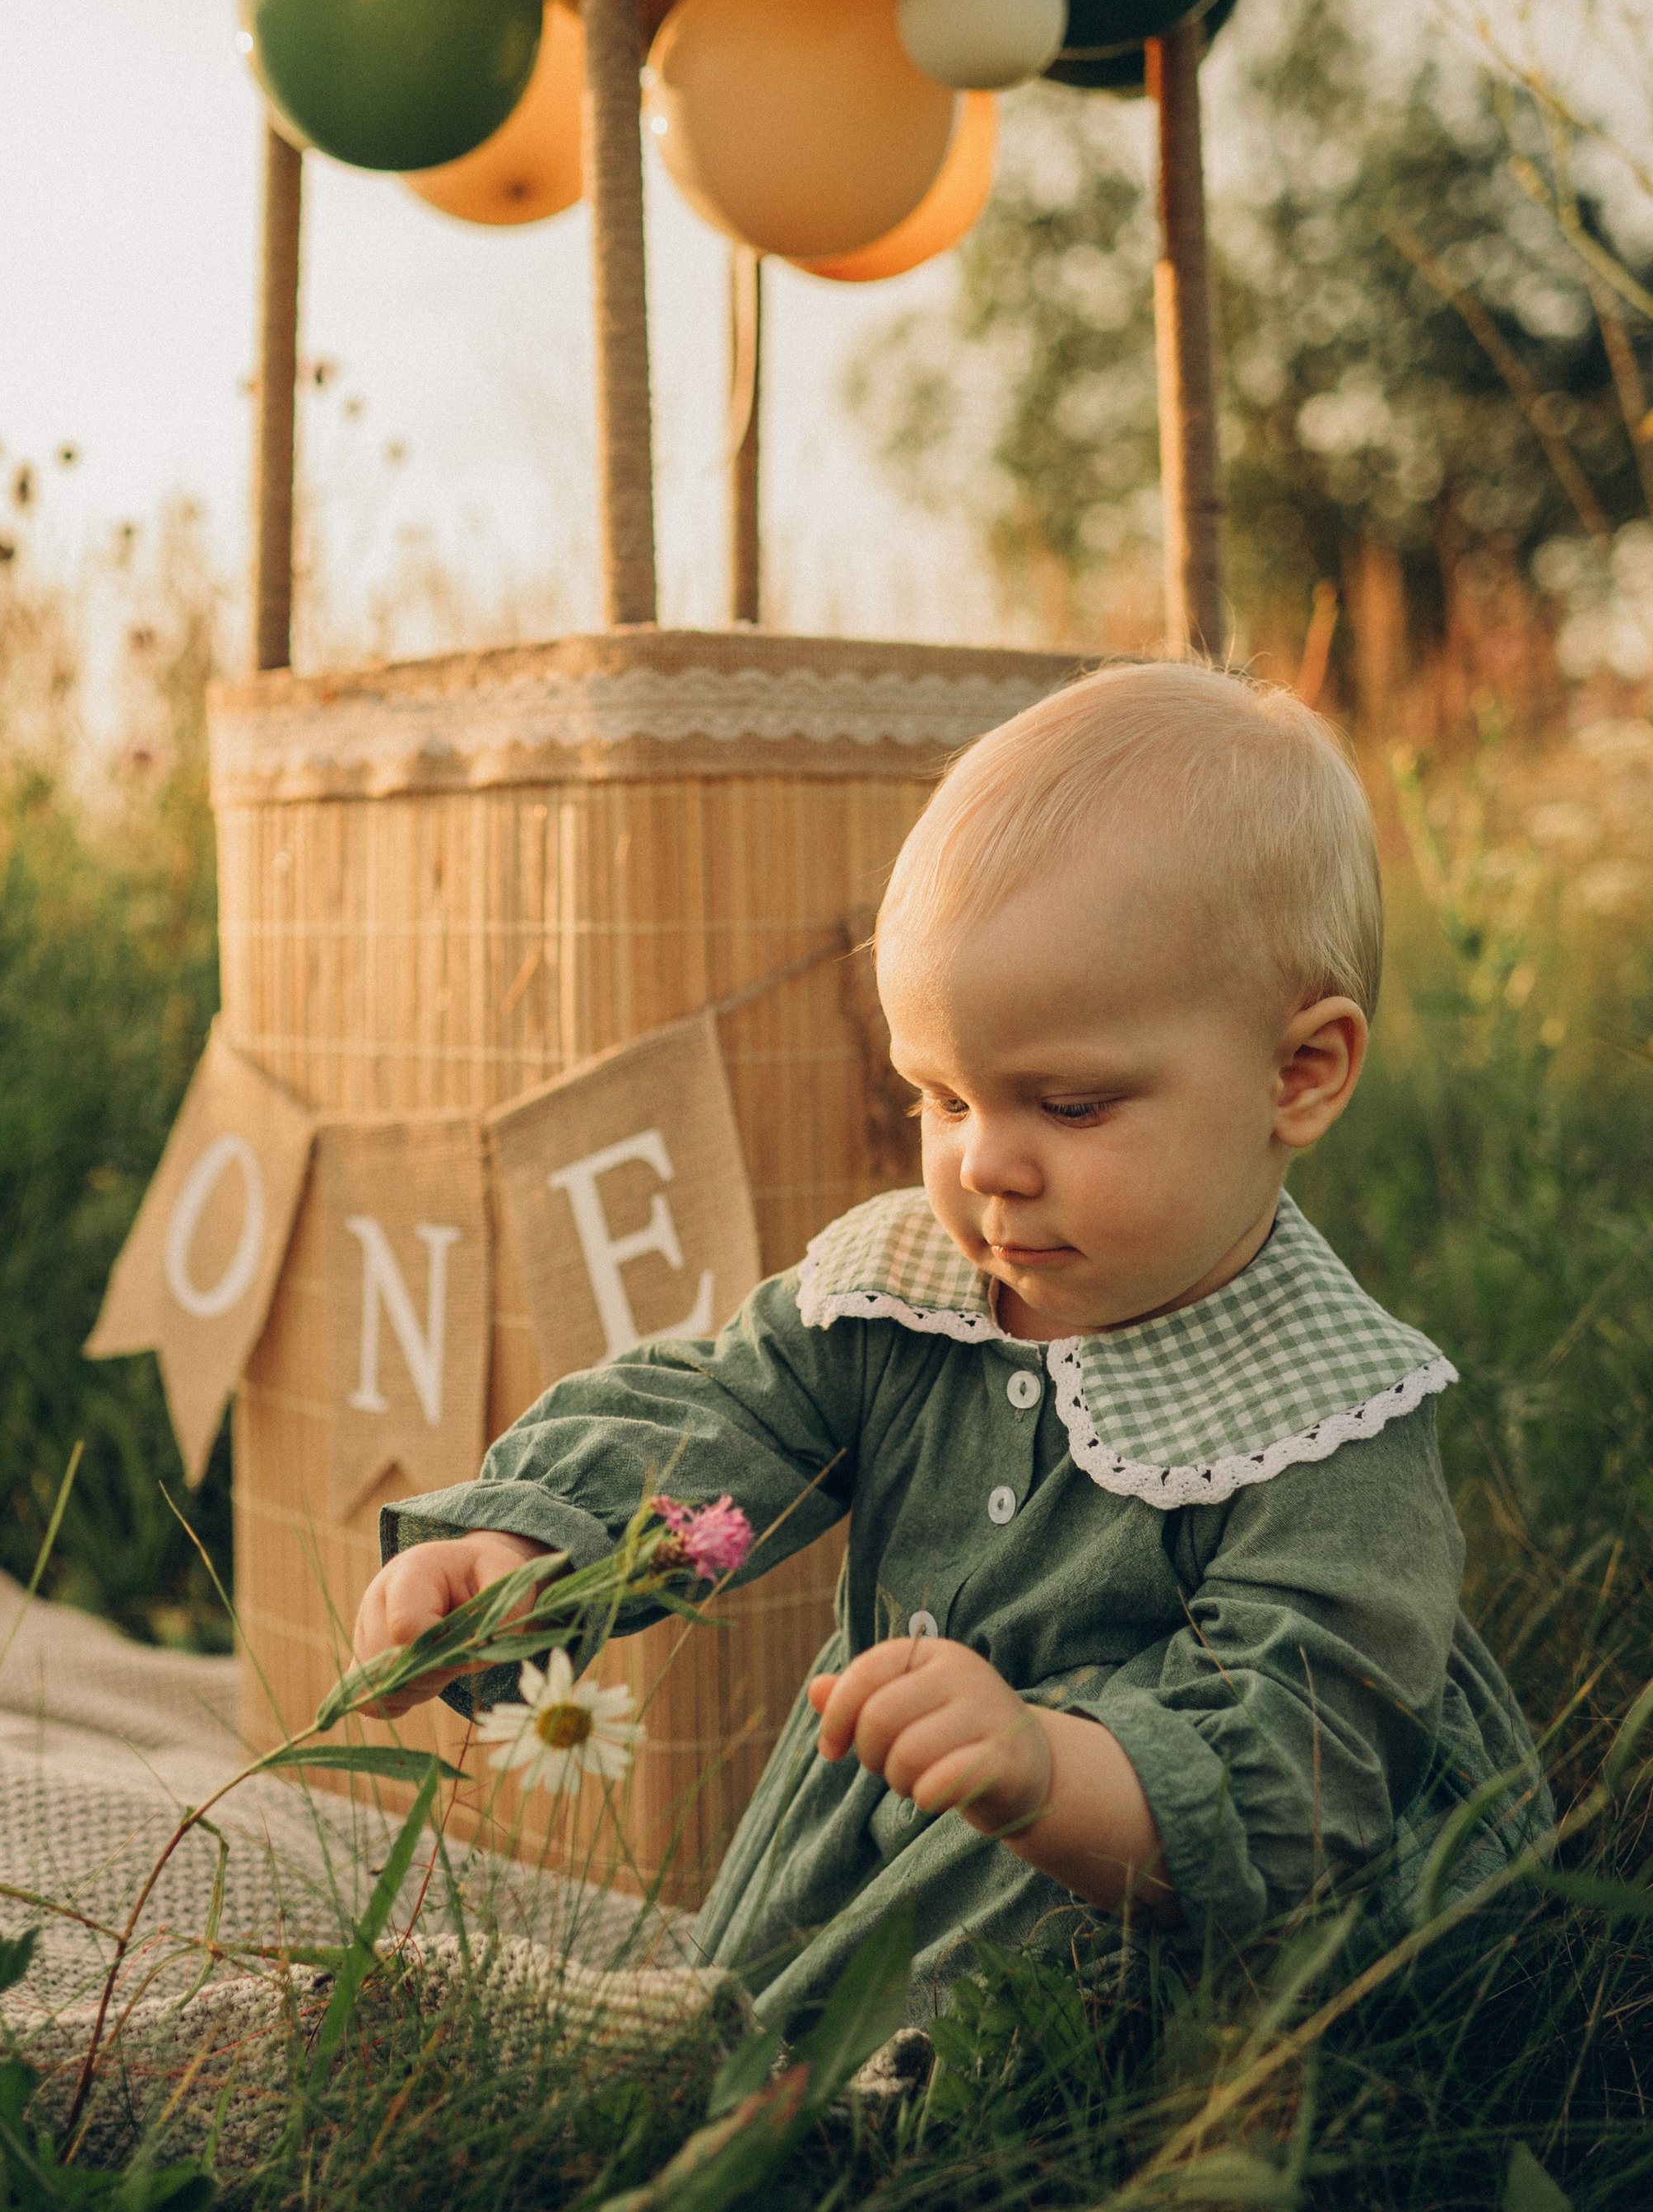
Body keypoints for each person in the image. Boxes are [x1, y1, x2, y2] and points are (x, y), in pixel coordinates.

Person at [351, 662, 1548, 2024]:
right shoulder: (905, 1295)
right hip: (887, 1834)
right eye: (939, 1094)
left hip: (1191, 1922)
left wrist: (1045, 1769)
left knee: (1087, 2068)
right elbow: (717, 1417)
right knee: (757, 2028)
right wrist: (528, 1552)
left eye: (1071, 1105)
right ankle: (764, 2058)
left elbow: (1305, 1756)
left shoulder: (1330, 1413)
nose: (986, 1164)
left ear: (1300, 1074)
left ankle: (918, 2108)